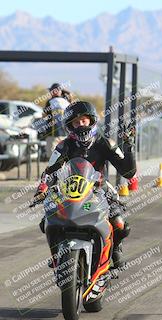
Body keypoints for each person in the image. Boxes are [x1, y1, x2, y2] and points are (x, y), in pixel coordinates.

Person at [35, 100, 136, 273]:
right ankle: (58, 255)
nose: (81, 125)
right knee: (47, 222)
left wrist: (129, 148)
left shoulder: (106, 143)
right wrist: (42, 189)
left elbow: (128, 172)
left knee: (119, 224)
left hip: (100, 188)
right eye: (76, 122)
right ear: (70, 126)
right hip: (69, 190)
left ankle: (115, 251)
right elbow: (50, 171)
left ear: (91, 120)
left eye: (83, 120)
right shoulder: (63, 145)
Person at [43, 83, 70, 158]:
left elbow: (44, 116)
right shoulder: (67, 102)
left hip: (53, 134)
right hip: (66, 134)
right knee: (64, 157)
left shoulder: (50, 102)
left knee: (52, 158)